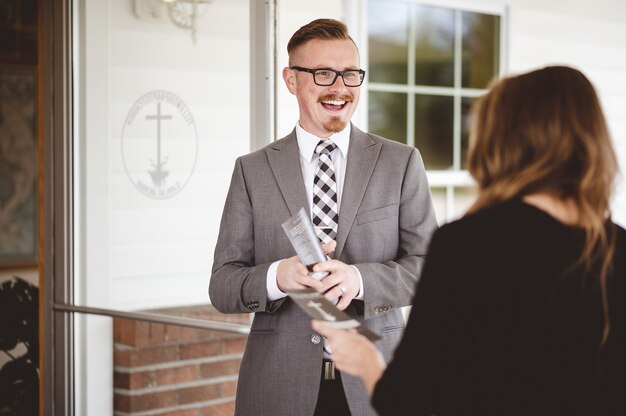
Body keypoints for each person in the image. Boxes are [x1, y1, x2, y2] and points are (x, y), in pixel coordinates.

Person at [314, 65, 626, 415]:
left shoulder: (468, 245)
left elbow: (408, 399)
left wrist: (368, 360)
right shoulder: (618, 247)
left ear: (502, 139)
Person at [209, 18, 438, 416]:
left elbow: (431, 272)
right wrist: (277, 277)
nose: (339, 88)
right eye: (322, 73)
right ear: (291, 79)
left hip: (379, 384)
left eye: (350, 74)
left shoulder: (401, 162)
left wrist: (361, 278)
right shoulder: (252, 170)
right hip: (278, 388)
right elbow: (222, 285)